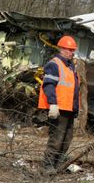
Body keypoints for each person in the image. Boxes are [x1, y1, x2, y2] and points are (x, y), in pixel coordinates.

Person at [38, 35, 80, 174]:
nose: (72, 52)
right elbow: (49, 85)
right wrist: (53, 104)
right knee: (56, 139)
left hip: (68, 109)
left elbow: (72, 90)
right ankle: (47, 166)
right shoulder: (54, 64)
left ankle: (58, 165)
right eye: (69, 49)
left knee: (66, 140)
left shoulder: (70, 66)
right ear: (61, 49)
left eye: (73, 50)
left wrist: (75, 109)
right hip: (59, 109)